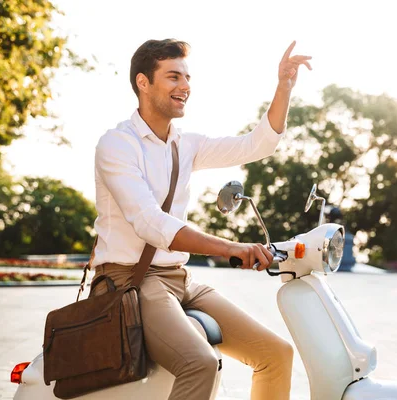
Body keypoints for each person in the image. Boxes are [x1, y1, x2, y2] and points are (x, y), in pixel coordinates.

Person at [90, 38, 312, 400]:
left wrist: (283, 86)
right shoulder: (117, 144)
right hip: (130, 280)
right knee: (200, 362)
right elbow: (150, 223)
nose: (185, 86)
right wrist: (231, 247)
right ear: (143, 83)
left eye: (187, 77)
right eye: (173, 76)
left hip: (180, 279)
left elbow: (257, 145)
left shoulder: (185, 144)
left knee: (276, 354)